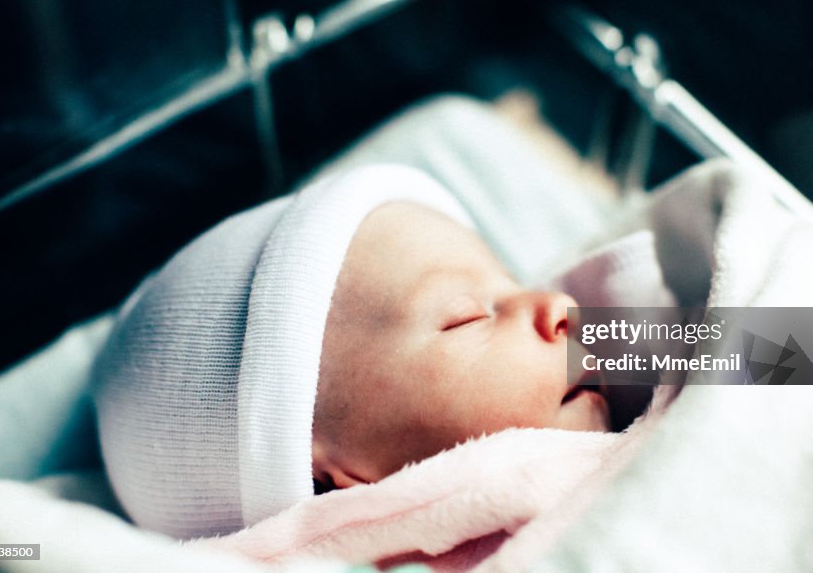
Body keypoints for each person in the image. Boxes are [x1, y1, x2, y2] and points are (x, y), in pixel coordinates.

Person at [93, 163, 665, 540]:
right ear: (342, 481)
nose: (558, 303)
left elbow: (751, 351)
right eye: (465, 317)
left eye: (512, 280)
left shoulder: (633, 346)